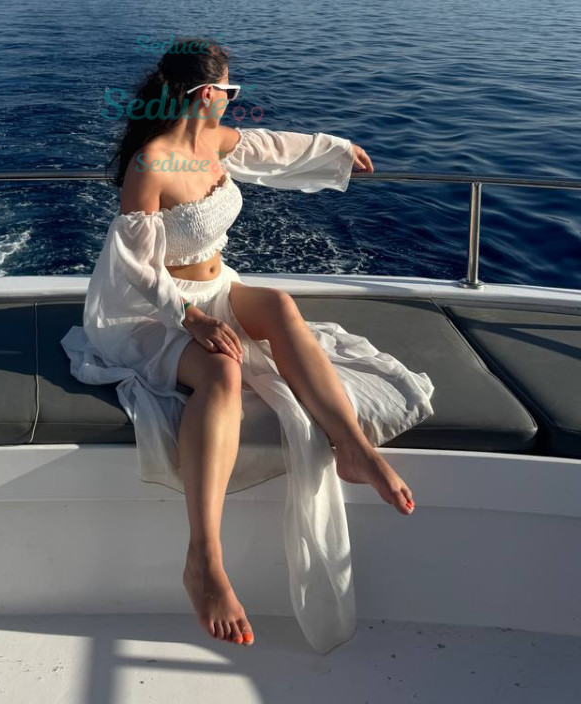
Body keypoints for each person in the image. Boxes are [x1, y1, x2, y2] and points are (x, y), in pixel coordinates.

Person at [61, 37, 435, 653]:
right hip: (149, 312)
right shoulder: (151, 164)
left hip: (213, 290)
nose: (234, 100)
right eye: (230, 90)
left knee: (280, 306)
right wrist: (189, 318)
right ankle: (204, 561)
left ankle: (352, 446)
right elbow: (135, 268)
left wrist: (338, 151)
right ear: (205, 93)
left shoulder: (213, 142)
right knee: (222, 373)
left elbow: (271, 146)